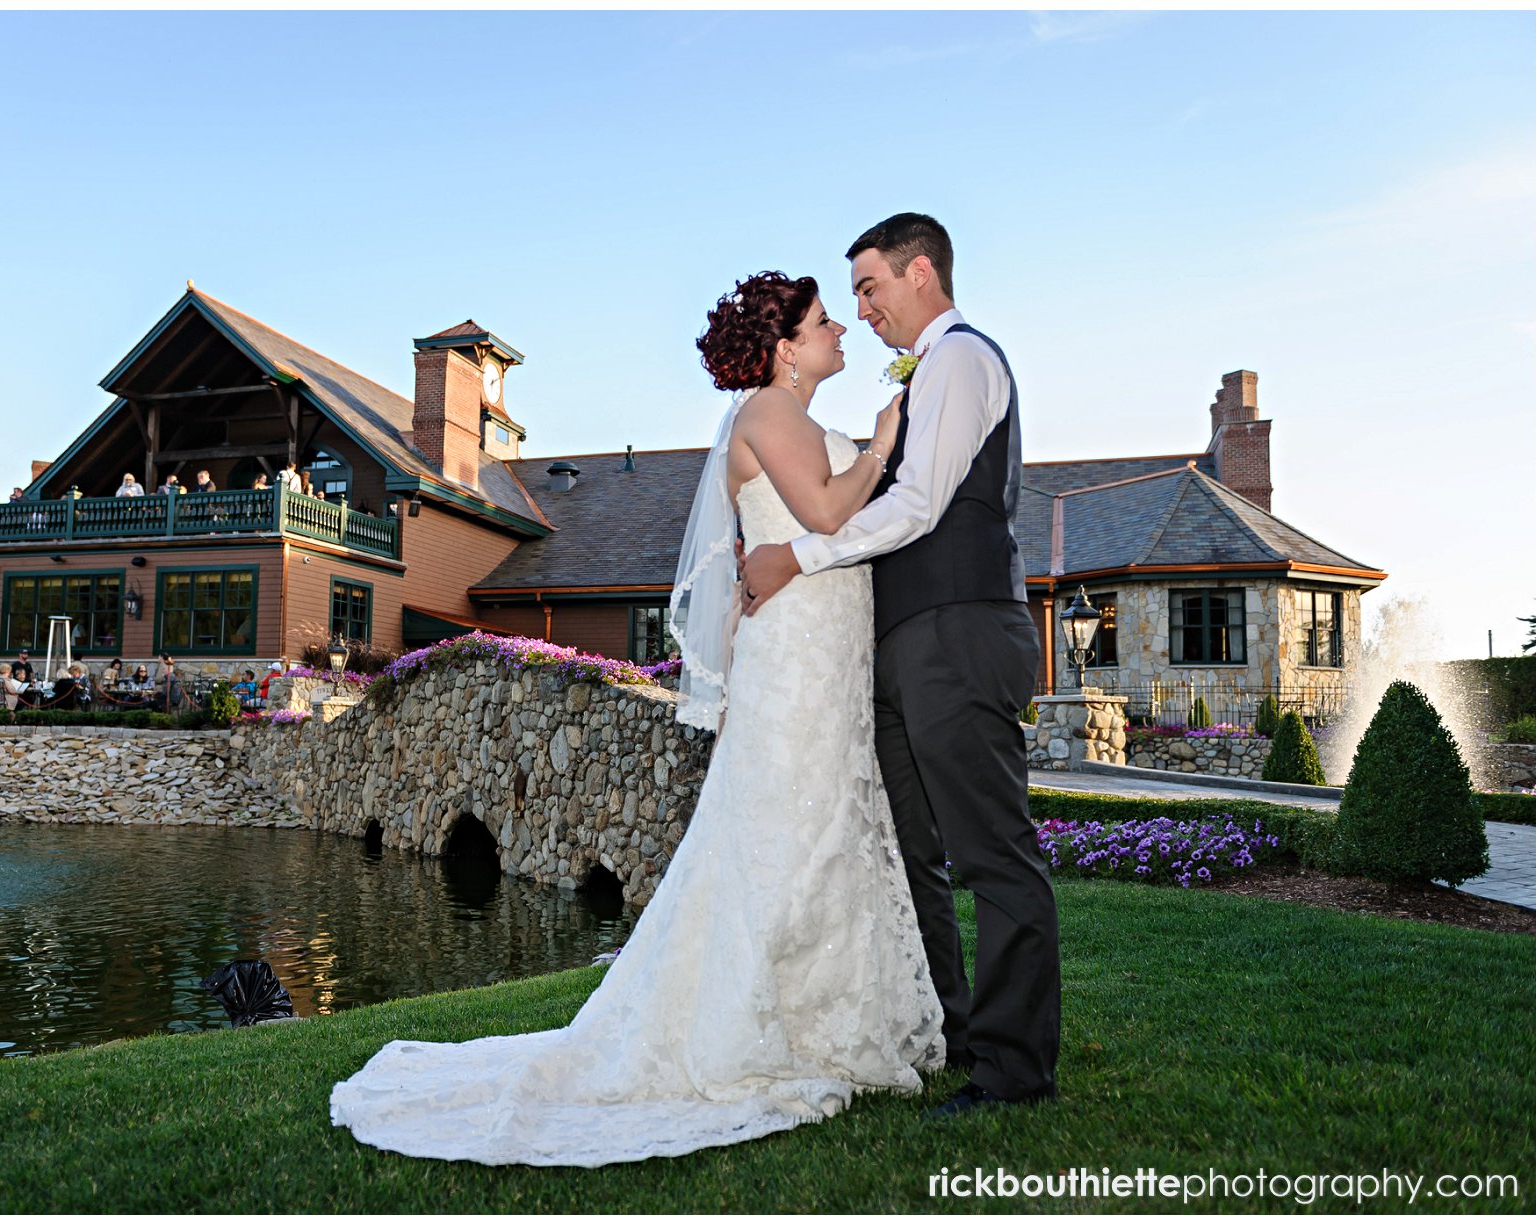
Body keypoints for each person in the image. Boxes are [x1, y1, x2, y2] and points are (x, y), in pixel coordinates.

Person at [331, 270, 938, 1166]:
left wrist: (865, 459)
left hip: (828, 643)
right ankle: (757, 1025)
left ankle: (824, 1016)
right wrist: (883, 447)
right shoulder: (766, 412)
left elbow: (823, 523)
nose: (840, 328)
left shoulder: (800, 421)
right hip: (795, 654)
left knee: (822, 827)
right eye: (822, 320)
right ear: (782, 347)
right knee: (783, 831)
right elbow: (820, 511)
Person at [741, 214, 1055, 1118]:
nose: (864, 310)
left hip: (960, 630)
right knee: (914, 851)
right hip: (904, 643)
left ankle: (1016, 1069)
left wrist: (795, 556)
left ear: (922, 273)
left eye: (871, 288)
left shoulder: (960, 358)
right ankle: (953, 1027)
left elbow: (919, 503)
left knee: (992, 854)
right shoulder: (921, 377)